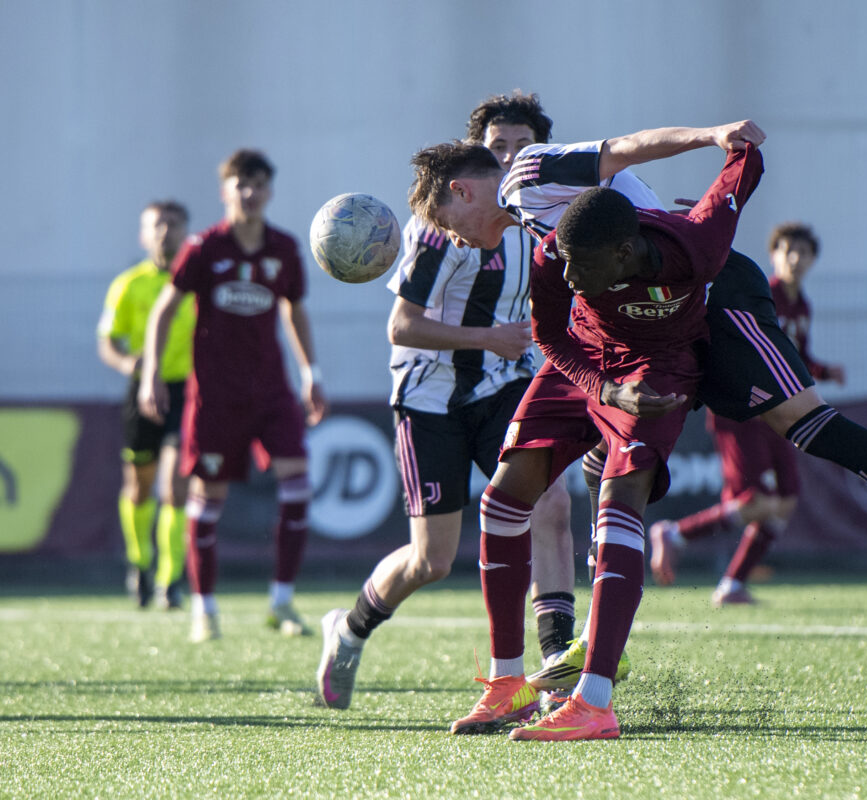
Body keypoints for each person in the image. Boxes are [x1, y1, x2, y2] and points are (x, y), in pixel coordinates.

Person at [409, 118, 867, 646]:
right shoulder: (526, 226)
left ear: (461, 191)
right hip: (650, 327)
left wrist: (714, 136)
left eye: (446, 223)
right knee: (604, 448)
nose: (454, 240)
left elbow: (628, 147)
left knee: (806, 425)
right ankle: (591, 639)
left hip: (711, 293)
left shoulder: (530, 175)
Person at [445, 142, 763, 740]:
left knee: (619, 507)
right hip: (585, 358)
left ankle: (594, 700)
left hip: (662, 366)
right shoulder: (553, 252)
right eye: (561, 261)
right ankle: (507, 684)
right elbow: (548, 334)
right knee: (501, 501)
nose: (566, 274)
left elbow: (737, 183)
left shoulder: (696, 244)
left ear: (624, 252)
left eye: (579, 266)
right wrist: (604, 389)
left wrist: (739, 143)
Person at [314, 92, 599, 711]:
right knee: (432, 560)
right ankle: (350, 629)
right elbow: (401, 326)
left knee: (549, 501)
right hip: (429, 396)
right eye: (499, 148)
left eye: (524, 147)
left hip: (505, 384)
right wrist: (487, 337)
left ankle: (554, 670)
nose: (512, 158)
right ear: (476, 163)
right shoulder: (439, 229)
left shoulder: (544, 217)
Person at [138, 149, 326, 643]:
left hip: (271, 391)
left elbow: (294, 310)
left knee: (298, 483)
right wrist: (150, 372)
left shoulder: (284, 248)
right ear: (225, 191)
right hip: (216, 399)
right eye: (240, 183)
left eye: (258, 183)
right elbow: (164, 309)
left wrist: (311, 371)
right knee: (208, 499)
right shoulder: (204, 248)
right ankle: (205, 607)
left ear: (269, 190)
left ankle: (281, 602)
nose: (249, 192)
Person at [648, 221, 845, 606]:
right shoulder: (763, 293)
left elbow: (794, 359)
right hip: (742, 412)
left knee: (786, 501)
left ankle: (732, 584)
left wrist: (822, 371)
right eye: (787, 250)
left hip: (779, 414)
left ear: (813, 259)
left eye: (802, 252)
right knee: (754, 501)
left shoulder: (802, 304)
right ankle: (675, 534)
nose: (795, 258)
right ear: (773, 255)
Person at [97, 199, 193, 609]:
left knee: (175, 487)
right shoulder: (128, 284)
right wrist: (126, 363)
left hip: (187, 391)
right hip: (143, 391)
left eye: (173, 224)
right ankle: (139, 563)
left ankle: (170, 581)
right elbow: (107, 340)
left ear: (185, 231)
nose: (165, 232)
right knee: (138, 486)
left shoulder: (198, 282)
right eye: (157, 225)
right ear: (144, 233)